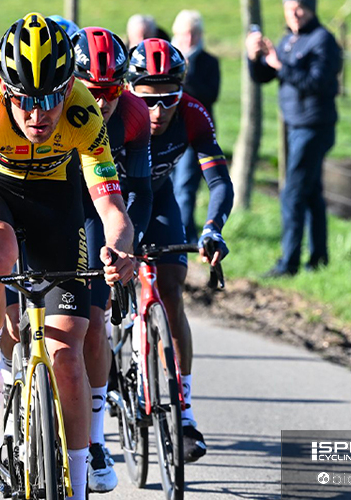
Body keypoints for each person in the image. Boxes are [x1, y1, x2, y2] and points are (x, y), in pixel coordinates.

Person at [0, 13, 137, 499]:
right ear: (6, 91)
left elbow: (112, 208)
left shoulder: (84, 112)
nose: (37, 114)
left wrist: (120, 249)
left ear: (69, 89)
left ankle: (78, 484)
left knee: (66, 354)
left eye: (50, 99)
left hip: (55, 198)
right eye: (24, 99)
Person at [125, 38, 233, 463]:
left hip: (158, 201)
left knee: (171, 292)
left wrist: (212, 229)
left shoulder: (192, 114)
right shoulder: (115, 115)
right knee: (95, 303)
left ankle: (184, 411)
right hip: (111, 202)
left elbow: (219, 182)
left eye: (167, 99)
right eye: (146, 100)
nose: (157, 112)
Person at [71, 26, 153, 493]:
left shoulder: (135, 113)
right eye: (93, 91)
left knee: (94, 322)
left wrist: (124, 246)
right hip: (58, 202)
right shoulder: (55, 107)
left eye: (112, 91)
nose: (102, 102)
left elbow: (140, 191)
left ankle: (97, 439)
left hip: (104, 206)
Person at [247, 0, 342, 277]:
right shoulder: (289, 39)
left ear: (311, 8)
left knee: (292, 194)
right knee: (310, 193)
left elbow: (317, 82)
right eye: (289, 8)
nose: (294, 14)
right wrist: (254, 57)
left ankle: (288, 264)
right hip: (295, 126)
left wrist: (280, 64)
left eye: (300, 7)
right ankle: (318, 260)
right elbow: (264, 76)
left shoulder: (323, 40)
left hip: (314, 126)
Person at [171, 10, 221, 244]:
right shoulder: (167, 59)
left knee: (185, 186)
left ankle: (182, 237)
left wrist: (187, 74)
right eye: (184, 34)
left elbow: (210, 95)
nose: (189, 39)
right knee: (168, 186)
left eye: (193, 34)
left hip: (193, 134)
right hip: (167, 132)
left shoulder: (209, 62)